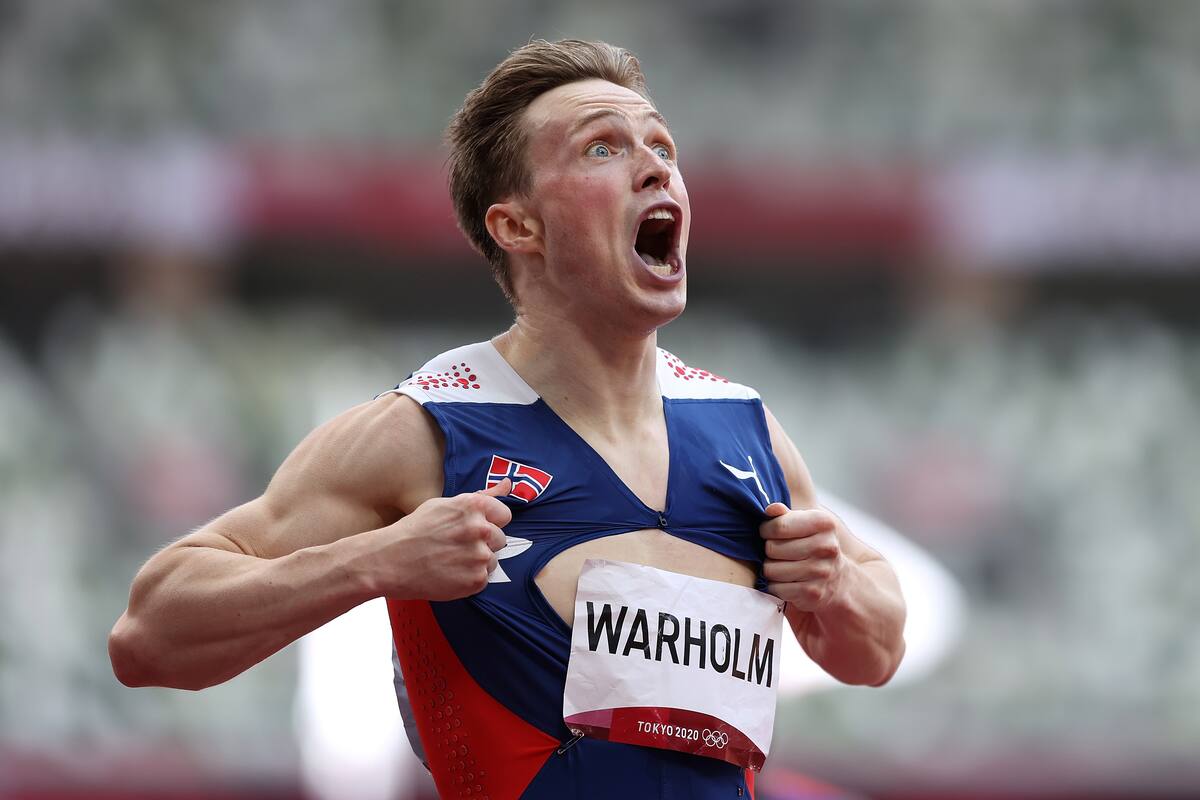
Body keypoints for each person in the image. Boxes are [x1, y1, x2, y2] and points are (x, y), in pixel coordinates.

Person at [110, 39, 906, 799]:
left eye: (662, 145)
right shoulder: (427, 429)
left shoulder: (743, 429)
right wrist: (374, 562)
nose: (655, 167)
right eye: (604, 148)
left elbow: (876, 650)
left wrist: (831, 587)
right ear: (517, 226)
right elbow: (149, 633)